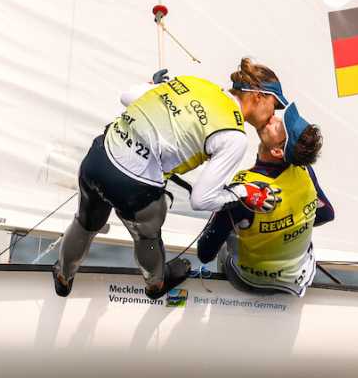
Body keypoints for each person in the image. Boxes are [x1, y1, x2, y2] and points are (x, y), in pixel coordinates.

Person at [53, 58, 289, 300]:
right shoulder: (235, 136)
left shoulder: (196, 84)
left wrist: (155, 87)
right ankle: (156, 283)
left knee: (85, 222)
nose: (274, 114)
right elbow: (201, 199)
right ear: (259, 95)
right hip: (131, 186)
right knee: (148, 231)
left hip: (99, 157)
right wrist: (245, 193)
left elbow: (127, 96)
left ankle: (63, 277)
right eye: (275, 105)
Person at [197, 104, 333, 297]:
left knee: (226, 240)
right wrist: (288, 227)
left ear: (278, 151)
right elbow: (327, 213)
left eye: (278, 126)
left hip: (249, 281)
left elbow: (204, 253)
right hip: (297, 278)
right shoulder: (304, 171)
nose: (272, 118)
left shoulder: (244, 190)